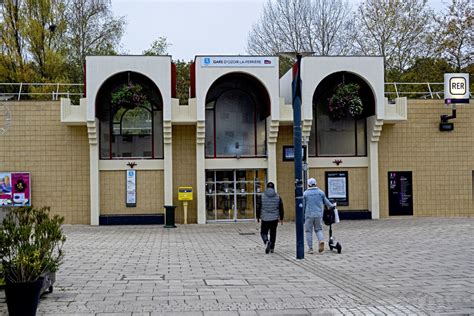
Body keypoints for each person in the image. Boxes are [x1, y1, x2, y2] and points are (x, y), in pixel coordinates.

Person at [303, 177, 335, 254]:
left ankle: (310, 249)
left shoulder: (305, 194)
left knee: (308, 231)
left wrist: (303, 215)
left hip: (309, 215)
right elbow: (327, 202)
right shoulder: (321, 192)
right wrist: (332, 206)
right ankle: (321, 240)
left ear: (308, 185)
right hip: (318, 214)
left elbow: (303, 206)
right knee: (318, 229)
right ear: (315, 183)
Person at [256, 182, 284, 254]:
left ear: (267, 188)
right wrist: (281, 217)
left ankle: (266, 241)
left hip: (265, 218)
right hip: (274, 219)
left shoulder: (261, 196)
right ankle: (272, 247)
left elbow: (258, 207)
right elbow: (281, 208)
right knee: (273, 233)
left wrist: (258, 216)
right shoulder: (278, 197)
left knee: (263, 232)